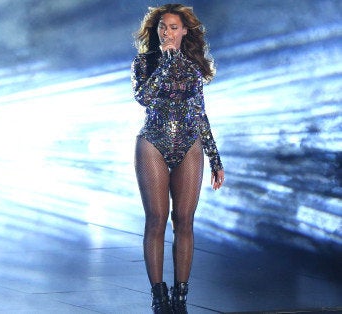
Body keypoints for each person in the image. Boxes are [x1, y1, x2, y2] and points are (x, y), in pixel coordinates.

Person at [131, 4, 225, 314]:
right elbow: (143, 98)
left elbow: (200, 114)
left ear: (184, 31)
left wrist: (215, 158)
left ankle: (180, 298)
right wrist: (165, 64)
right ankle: (159, 297)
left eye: (173, 27)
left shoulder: (195, 67)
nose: (166, 32)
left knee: (184, 221)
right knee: (156, 220)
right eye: (162, 27)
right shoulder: (144, 62)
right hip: (153, 142)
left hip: (189, 144)